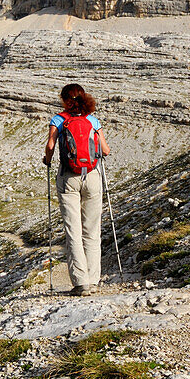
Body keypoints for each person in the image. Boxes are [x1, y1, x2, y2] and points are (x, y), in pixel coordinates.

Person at [42, 83, 111, 296]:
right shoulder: (93, 120)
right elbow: (106, 150)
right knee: (92, 230)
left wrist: (47, 160)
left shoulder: (59, 119)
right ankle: (93, 279)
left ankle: (80, 283)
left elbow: (51, 145)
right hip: (92, 177)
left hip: (68, 177)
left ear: (64, 100)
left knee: (73, 230)